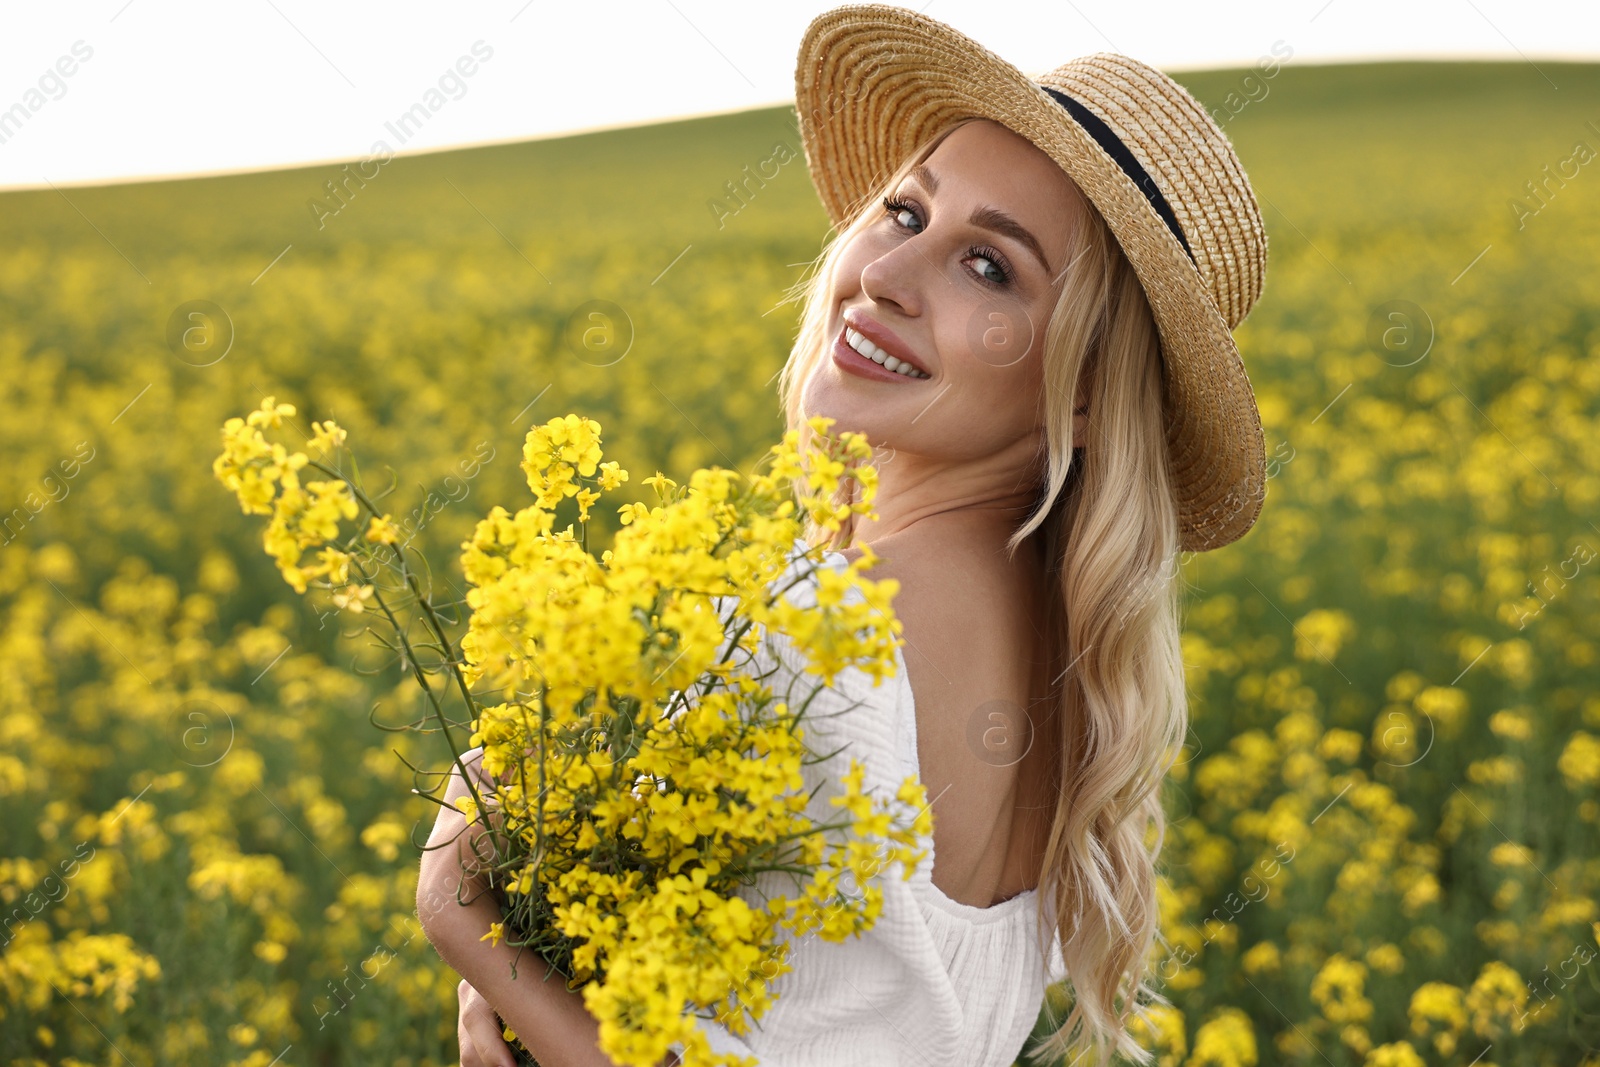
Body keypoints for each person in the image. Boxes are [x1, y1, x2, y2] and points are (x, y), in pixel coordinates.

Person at [419, 5, 1270, 1066]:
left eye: (991, 268)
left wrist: (463, 914)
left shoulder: (836, 624)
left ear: (1089, 394)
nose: (885, 276)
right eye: (908, 213)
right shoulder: (1066, 671)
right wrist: (520, 982)